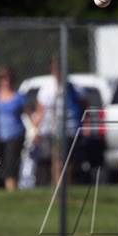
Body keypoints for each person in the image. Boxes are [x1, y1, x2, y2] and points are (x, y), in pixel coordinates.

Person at [35, 56, 87, 185]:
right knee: (58, 161)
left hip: (71, 129)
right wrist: (35, 130)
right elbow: (40, 112)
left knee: (69, 161)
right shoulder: (46, 90)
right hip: (54, 130)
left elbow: (85, 106)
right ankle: (58, 186)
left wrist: (86, 125)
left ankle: (66, 186)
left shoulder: (74, 88)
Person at [0, 66, 36, 191]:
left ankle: (11, 191)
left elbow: (30, 114)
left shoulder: (19, 98)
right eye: (3, 78)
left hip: (15, 135)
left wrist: (36, 130)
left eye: (8, 78)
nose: (6, 81)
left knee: (10, 165)